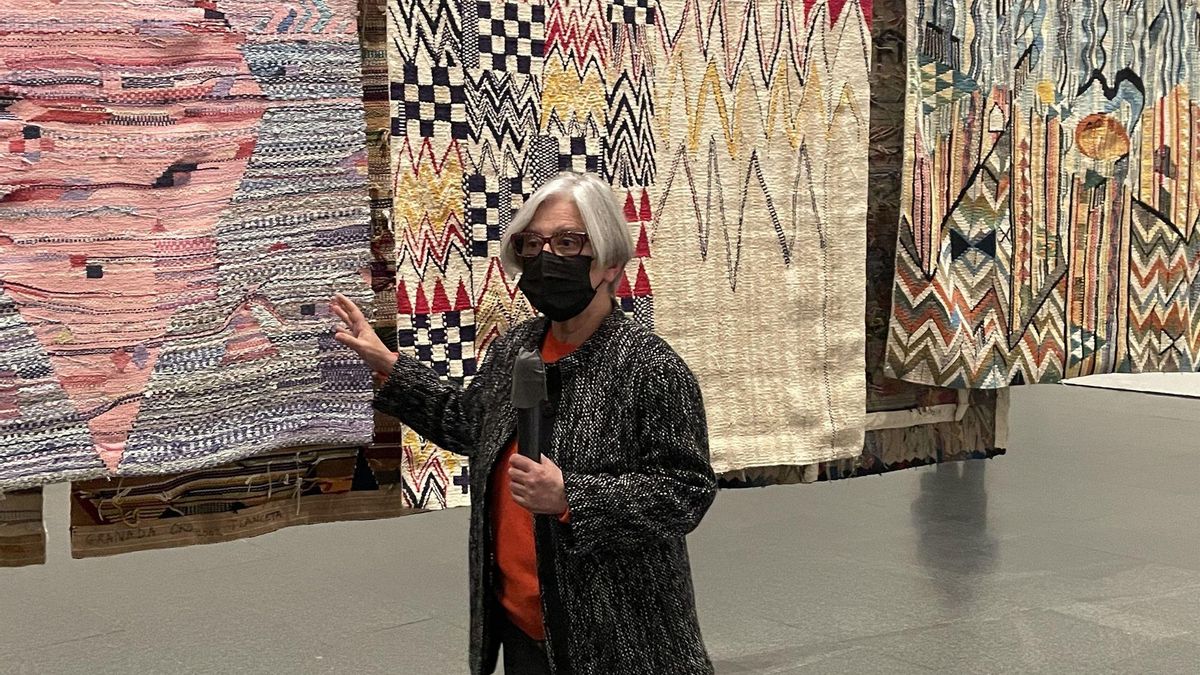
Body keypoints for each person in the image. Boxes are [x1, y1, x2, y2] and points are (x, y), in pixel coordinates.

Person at [332, 171, 717, 674]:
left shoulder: (648, 366)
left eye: (567, 241)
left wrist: (571, 498)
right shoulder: (518, 347)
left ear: (609, 263)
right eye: (532, 243)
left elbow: (686, 491)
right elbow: (469, 423)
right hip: (525, 631)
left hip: (617, 643)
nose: (545, 258)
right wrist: (389, 364)